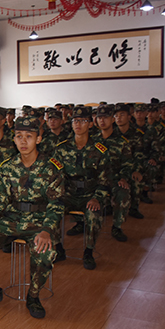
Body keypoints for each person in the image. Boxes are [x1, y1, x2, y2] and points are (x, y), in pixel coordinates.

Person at [0, 117, 64, 318]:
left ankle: (33, 296)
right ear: (14, 140)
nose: (23, 141)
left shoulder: (51, 167)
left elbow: (56, 204)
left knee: (45, 252)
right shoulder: (7, 167)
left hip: (39, 222)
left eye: (29, 136)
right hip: (12, 220)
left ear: (39, 139)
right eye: (19, 136)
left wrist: (47, 230)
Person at [53, 106, 109, 269]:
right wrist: (56, 195)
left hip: (90, 195)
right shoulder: (62, 148)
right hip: (68, 194)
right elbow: (55, 176)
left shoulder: (99, 150)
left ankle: (88, 252)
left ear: (90, 124)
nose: (78, 124)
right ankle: (58, 248)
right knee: (52, 210)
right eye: (75, 121)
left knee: (93, 214)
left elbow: (105, 180)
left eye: (83, 121)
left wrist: (97, 198)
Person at [93, 104, 134, 242]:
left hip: (114, 179)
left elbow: (127, 164)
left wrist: (123, 178)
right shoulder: (92, 140)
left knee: (122, 192)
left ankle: (117, 226)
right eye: (99, 117)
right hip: (95, 180)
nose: (102, 120)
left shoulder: (122, 142)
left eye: (106, 117)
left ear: (112, 120)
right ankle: (81, 223)